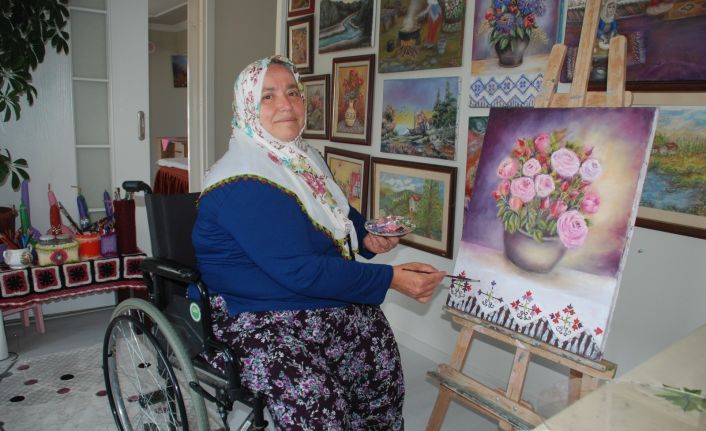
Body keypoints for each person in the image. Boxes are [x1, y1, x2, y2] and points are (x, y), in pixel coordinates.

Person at [192, 55, 446, 430]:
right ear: (246, 107)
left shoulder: (301, 158)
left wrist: (366, 238)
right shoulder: (241, 181)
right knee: (318, 406)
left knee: (378, 357)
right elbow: (301, 270)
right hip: (254, 315)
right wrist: (390, 278)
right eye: (267, 96)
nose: (285, 104)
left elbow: (335, 213)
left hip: (309, 300)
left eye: (293, 92)